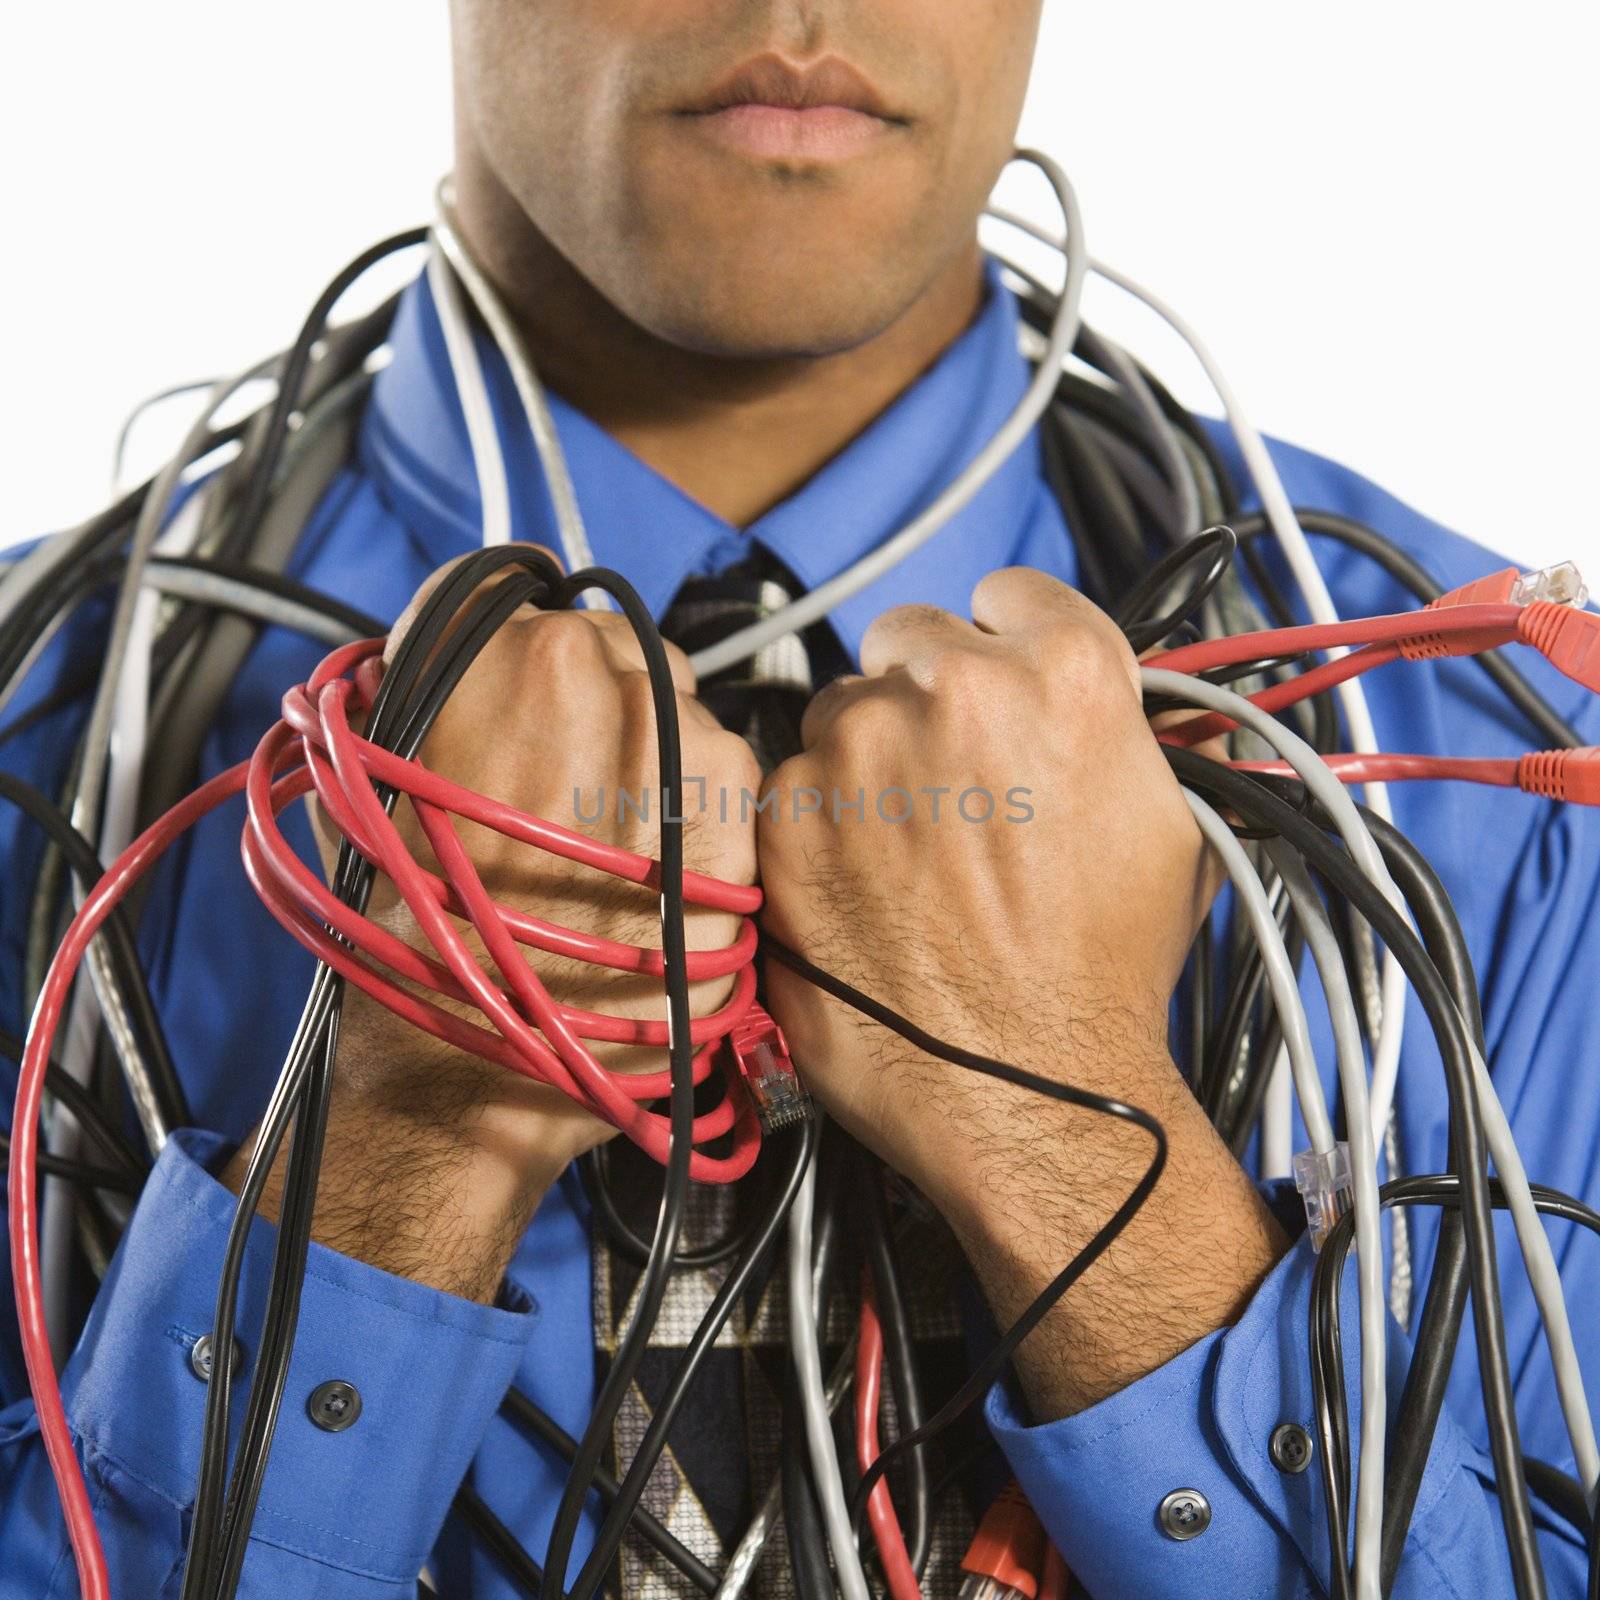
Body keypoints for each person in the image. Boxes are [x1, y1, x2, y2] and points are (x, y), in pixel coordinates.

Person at [2, 3, 1596, 1596]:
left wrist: (1086, 1159)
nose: (800, 12)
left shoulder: (1501, 765)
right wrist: (393, 1166)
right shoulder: (51, 727)